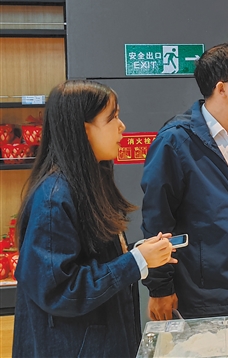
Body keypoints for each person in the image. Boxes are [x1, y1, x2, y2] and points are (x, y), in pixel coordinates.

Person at [13, 80, 176, 358]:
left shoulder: (87, 185)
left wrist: (137, 254)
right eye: (112, 118)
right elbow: (60, 290)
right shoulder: (54, 198)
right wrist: (135, 262)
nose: (122, 126)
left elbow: (93, 262)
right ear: (84, 129)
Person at [141, 43, 228, 320]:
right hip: (202, 300)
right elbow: (157, 222)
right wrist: (160, 288)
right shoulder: (176, 141)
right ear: (221, 88)